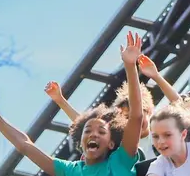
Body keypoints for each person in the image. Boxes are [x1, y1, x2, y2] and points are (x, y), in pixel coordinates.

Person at [0, 31, 146, 176]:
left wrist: (130, 66)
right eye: (88, 130)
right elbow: (24, 145)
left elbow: (136, 117)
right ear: (80, 143)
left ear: (111, 142)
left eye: (101, 131)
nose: (93, 134)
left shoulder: (120, 161)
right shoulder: (70, 172)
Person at [43, 53, 179, 138]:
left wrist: (156, 76)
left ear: (150, 112)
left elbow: (181, 105)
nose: (135, 119)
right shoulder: (123, 143)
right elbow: (84, 124)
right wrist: (60, 100)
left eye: (139, 113)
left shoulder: (163, 132)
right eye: (127, 117)